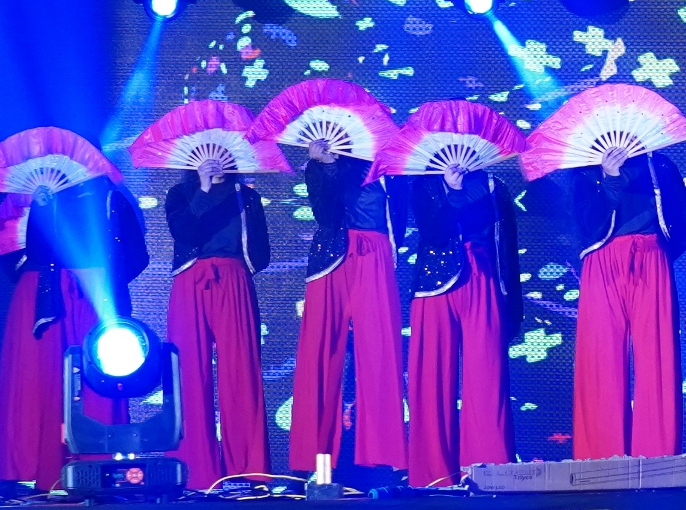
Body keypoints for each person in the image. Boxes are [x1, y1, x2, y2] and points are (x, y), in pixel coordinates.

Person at [0, 175, 147, 490]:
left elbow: (136, 255)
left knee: (99, 374)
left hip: (96, 293)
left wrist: (107, 279)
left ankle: (101, 467)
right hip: (50, 295)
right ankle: (44, 471)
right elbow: (29, 253)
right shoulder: (40, 196)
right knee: (47, 376)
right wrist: (41, 209)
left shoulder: (111, 199)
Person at [565, 143, 686, 459]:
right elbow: (587, 227)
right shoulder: (584, 168)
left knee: (657, 358)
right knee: (602, 359)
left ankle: (658, 459)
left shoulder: (659, 164)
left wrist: (659, 255)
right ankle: (600, 460)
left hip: (651, 259)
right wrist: (610, 178)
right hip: (602, 261)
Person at [288, 145, 406, 475]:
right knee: (320, 354)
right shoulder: (321, 166)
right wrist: (326, 166)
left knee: (380, 354)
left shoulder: (391, 169)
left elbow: (398, 223)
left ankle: (384, 458)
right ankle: (312, 461)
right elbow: (325, 216)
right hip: (332, 257)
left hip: (376, 255)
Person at [405, 162, 519, 486]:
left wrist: (513, 310)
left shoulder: (494, 186)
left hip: (484, 281)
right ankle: (433, 475)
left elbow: (508, 251)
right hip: (434, 286)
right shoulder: (425, 183)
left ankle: (489, 472)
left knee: (487, 380)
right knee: (432, 380)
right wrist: (452, 192)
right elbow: (433, 234)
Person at [164, 158, 271, 492]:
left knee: (241, 373)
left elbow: (262, 250)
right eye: (209, 156)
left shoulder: (246, 195)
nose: (216, 161)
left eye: (223, 155)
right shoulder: (180, 193)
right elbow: (183, 233)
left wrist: (236, 270)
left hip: (233, 280)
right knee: (189, 373)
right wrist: (204, 188)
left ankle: (247, 472)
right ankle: (194, 472)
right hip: (190, 281)